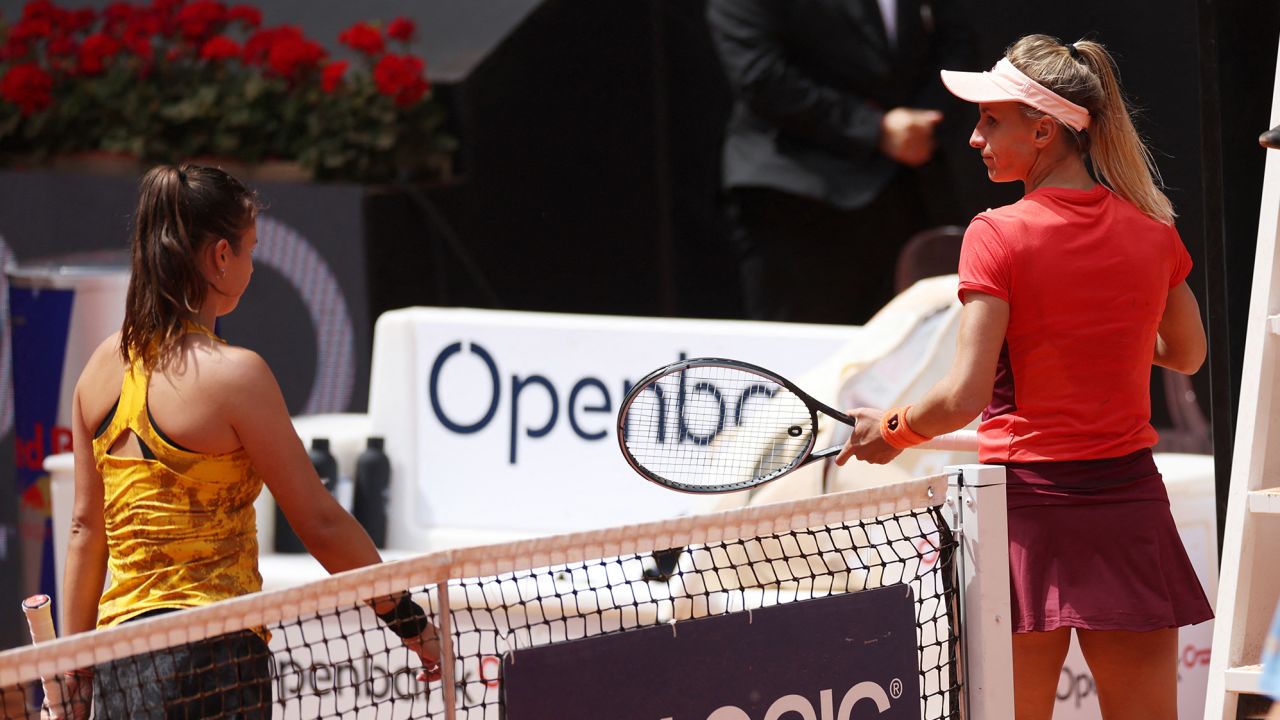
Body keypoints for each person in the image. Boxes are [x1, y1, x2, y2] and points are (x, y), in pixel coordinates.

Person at [835, 35, 1212, 719]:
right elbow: (1185, 354)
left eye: (991, 120)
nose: (975, 137)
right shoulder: (1154, 227)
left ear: (1043, 131)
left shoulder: (997, 233)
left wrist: (890, 431)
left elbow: (962, 397)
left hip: (1024, 515)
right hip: (1128, 507)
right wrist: (1103, 329)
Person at [57, 164, 440, 718]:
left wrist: (75, 667)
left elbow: (84, 530)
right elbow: (321, 523)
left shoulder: (97, 371)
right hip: (217, 658)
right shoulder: (237, 376)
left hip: (121, 664)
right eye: (249, 250)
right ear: (219, 256)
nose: (252, 265)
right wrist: (409, 622)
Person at [706, 0, 975, 325]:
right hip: (798, 196)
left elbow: (957, 41)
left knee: (919, 354)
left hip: (911, 194)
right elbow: (760, 75)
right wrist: (875, 128)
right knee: (805, 359)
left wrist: (925, 122)